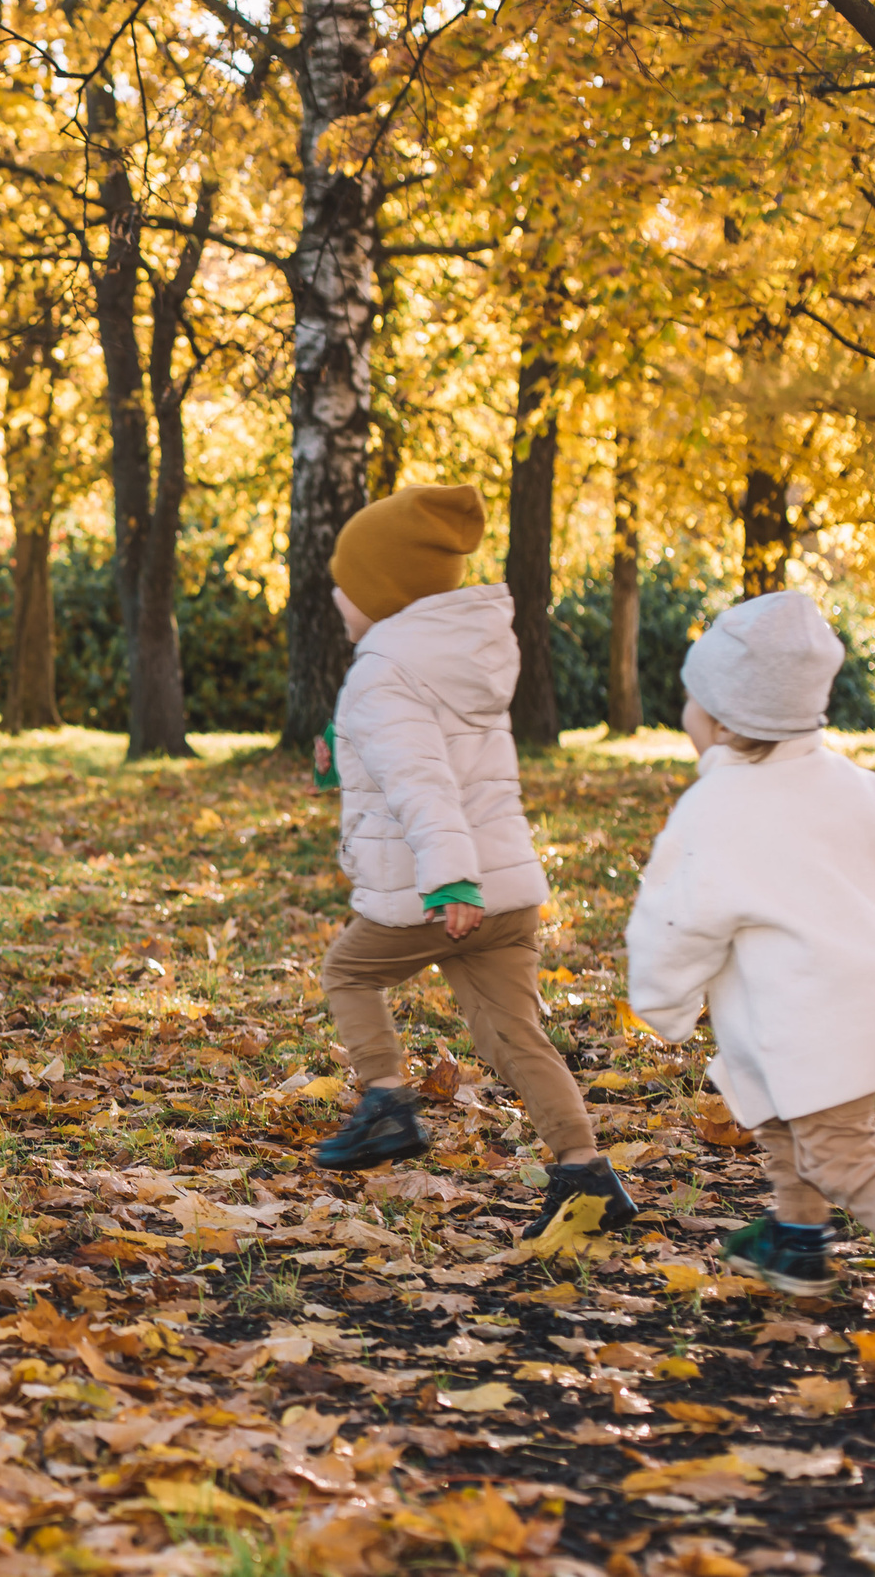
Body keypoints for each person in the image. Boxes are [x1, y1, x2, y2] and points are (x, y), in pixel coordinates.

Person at [627, 591, 875, 1340]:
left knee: (840, 1154)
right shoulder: (870, 792)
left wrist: (662, 1005)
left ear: (717, 719)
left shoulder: (715, 810)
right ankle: (798, 1240)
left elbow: (675, 920)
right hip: (855, 1009)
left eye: (690, 700)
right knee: (779, 1118)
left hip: (809, 1021)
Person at [308, 484, 632, 1239]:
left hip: (436, 891)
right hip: (507, 891)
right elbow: (423, 757)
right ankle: (586, 1174)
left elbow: (424, 781)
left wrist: (449, 874)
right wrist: (338, 758)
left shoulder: (381, 667)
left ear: (386, 595)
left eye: (347, 588)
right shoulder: (463, 656)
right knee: (516, 1034)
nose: (337, 599)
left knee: (349, 973)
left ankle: (385, 1104)